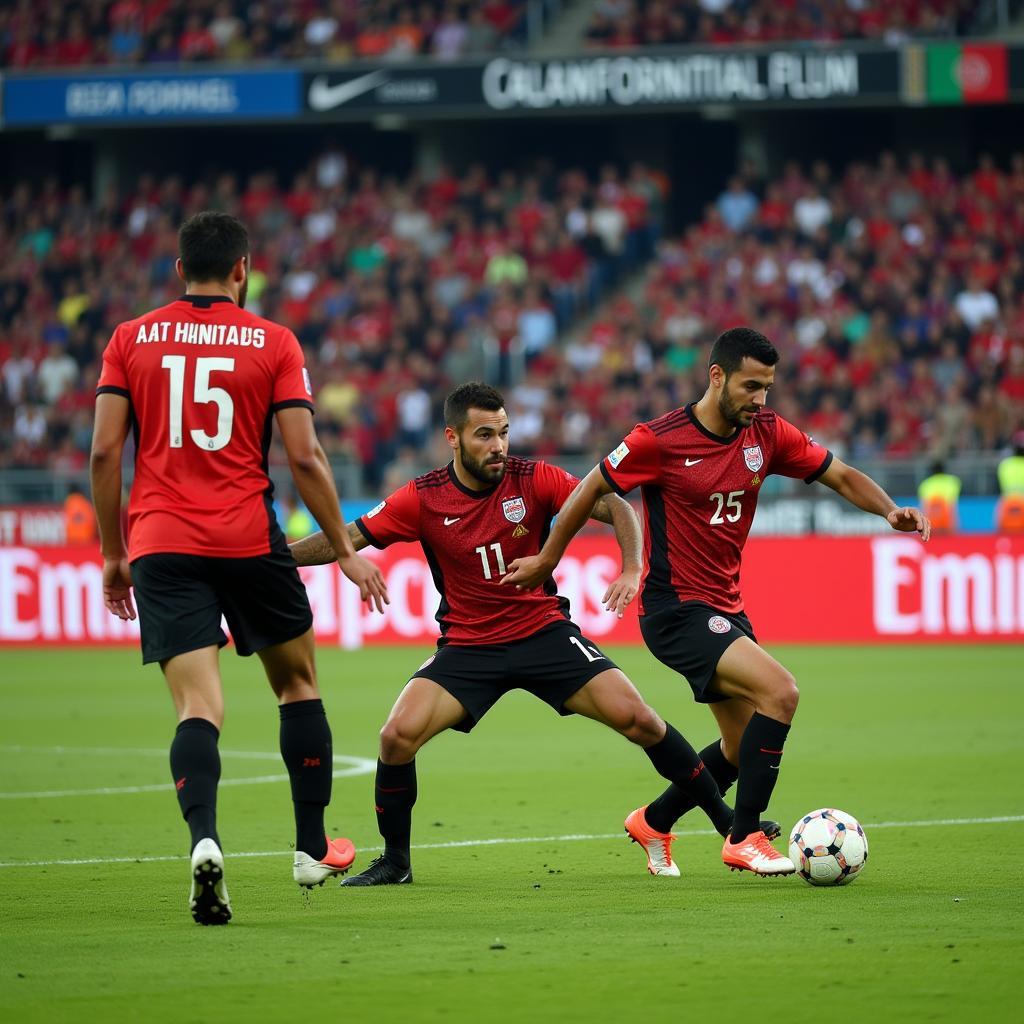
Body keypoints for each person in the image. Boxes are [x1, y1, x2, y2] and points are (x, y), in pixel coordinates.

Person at [501, 328, 931, 876]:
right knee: (782, 691)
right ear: (717, 376)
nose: (761, 399)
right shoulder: (658, 440)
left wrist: (890, 510)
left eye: (768, 388)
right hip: (675, 610)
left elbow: (839, 474)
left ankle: (654, 820)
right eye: (752, 385)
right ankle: (745, 834)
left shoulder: (768, 433)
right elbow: (591, 489)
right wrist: (546, 561)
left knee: (738, 746)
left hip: (726, 607)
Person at [290, 381, 754, 885]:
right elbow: (349, 537)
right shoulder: (422, 497)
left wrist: (630, 566)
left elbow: (616, 503)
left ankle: (728, 825)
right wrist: (274, 559)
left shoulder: (535, 479)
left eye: (504, 433)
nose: (498, 446)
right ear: (453, 438)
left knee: (640, 718)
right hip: (469, 647)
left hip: (544, 634)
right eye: (485, 435)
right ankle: (397, 862)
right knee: (395, 737)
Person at [90, 212, 389, 925]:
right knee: (297, 683)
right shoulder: (273, 341)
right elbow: (305, 456)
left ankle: (204, 842)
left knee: (199, 708)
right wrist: (344, 550)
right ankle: (311, 848)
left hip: (161, 541)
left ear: (177, 269)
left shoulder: (130, 339)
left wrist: (111, 552)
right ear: (242, 270)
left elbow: (104, 454)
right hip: (248, 538)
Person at [917, 460, 961, 534]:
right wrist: (955, 523)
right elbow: (952, 505)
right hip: (947, 519)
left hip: (931, 521)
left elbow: (924, 507)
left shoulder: (925, 484)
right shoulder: (953, 481)